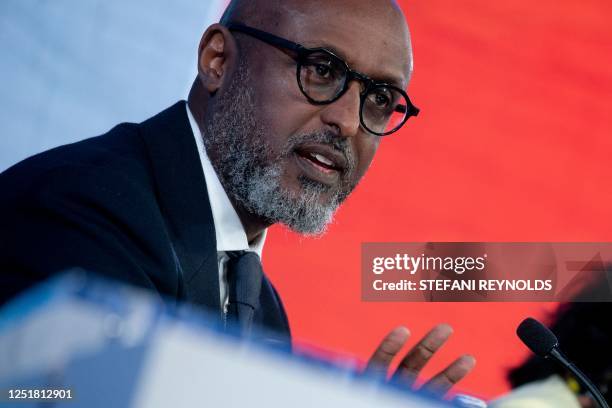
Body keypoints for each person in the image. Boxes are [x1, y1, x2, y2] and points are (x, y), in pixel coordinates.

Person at [0, 0, 475, 396]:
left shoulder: (264, 311)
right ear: (217, 61)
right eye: (322, 70)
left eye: (379, 99)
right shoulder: (84, 213)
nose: (348, 122)